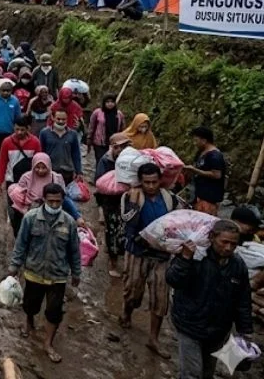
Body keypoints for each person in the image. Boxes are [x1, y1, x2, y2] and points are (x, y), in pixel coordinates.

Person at [167, 220, 254, 378]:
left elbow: (243, 301)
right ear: (212, 237)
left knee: (207, 373)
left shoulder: (238, 265)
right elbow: (173, 280)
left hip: (217, 331)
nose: (228, 248)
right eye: (224, 242)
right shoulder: (195, 257)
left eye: (233, 244)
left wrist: (245, 331)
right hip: (190, 326)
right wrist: (185, 259)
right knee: (192, 374)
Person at [8, 183, 81, 364]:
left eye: (58, 202)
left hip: (58, 275)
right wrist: (14, 266)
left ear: (63, 201)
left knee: (54, 311)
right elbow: (21, 244)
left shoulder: (69, 223)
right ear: (44, 200)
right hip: (34, 272)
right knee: (30, 305)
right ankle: (29, 322)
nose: (54, 205)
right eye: (51, 201)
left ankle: (48, 343)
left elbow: (74, 250)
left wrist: (76, 272)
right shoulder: (31, 218)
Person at [120, 163, 181, 358]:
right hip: (138, 252)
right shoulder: (131, 197)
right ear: (141, 181)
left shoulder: (169, 199)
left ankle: (154, 338)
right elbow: (128, 224)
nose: (151, 186)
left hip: (162, 254)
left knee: (160, 298)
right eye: (147, 182)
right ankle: (127, 312)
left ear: (160, 180)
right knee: (133, 291)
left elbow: (177, 222)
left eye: (154, 182)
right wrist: (134, 204)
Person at [95, 133, 132, 276]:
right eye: (117, 147)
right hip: (110, 201)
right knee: (112, 230)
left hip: (127, 200)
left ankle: (124, 257)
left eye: (124, 147)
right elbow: (100, 182)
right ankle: (113, 262)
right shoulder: (106, 160)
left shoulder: (131, 161)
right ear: (112, 147)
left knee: (125, 230)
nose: (120, 150)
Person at [184, 126, 226, 215]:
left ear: (204, 140)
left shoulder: (215, 156)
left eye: (196, 140)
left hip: (209, 197)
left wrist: (195, 170)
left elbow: (217, 175)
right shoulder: (201, 152)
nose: (194, 143)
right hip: (199, 194)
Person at [39, 109, 84, 185]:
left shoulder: (72, 134)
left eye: (63, 119)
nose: (61, 121)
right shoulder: (44, 133)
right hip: (50, 171)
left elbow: (76, 154)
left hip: (67, 171)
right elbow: (41, 153)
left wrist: (79, 171)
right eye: (58, 119)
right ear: (53, 118)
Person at [87, 95, 125, 167]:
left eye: (112, 102)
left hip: (114, 143)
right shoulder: (97, 113)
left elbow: (122, 128)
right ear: (104, 103)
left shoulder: (119, 114)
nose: (110, 104)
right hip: (100, 143)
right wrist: (89, 138)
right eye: (107, 102)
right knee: (101, 162)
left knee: (113, 162)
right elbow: (91, 126)